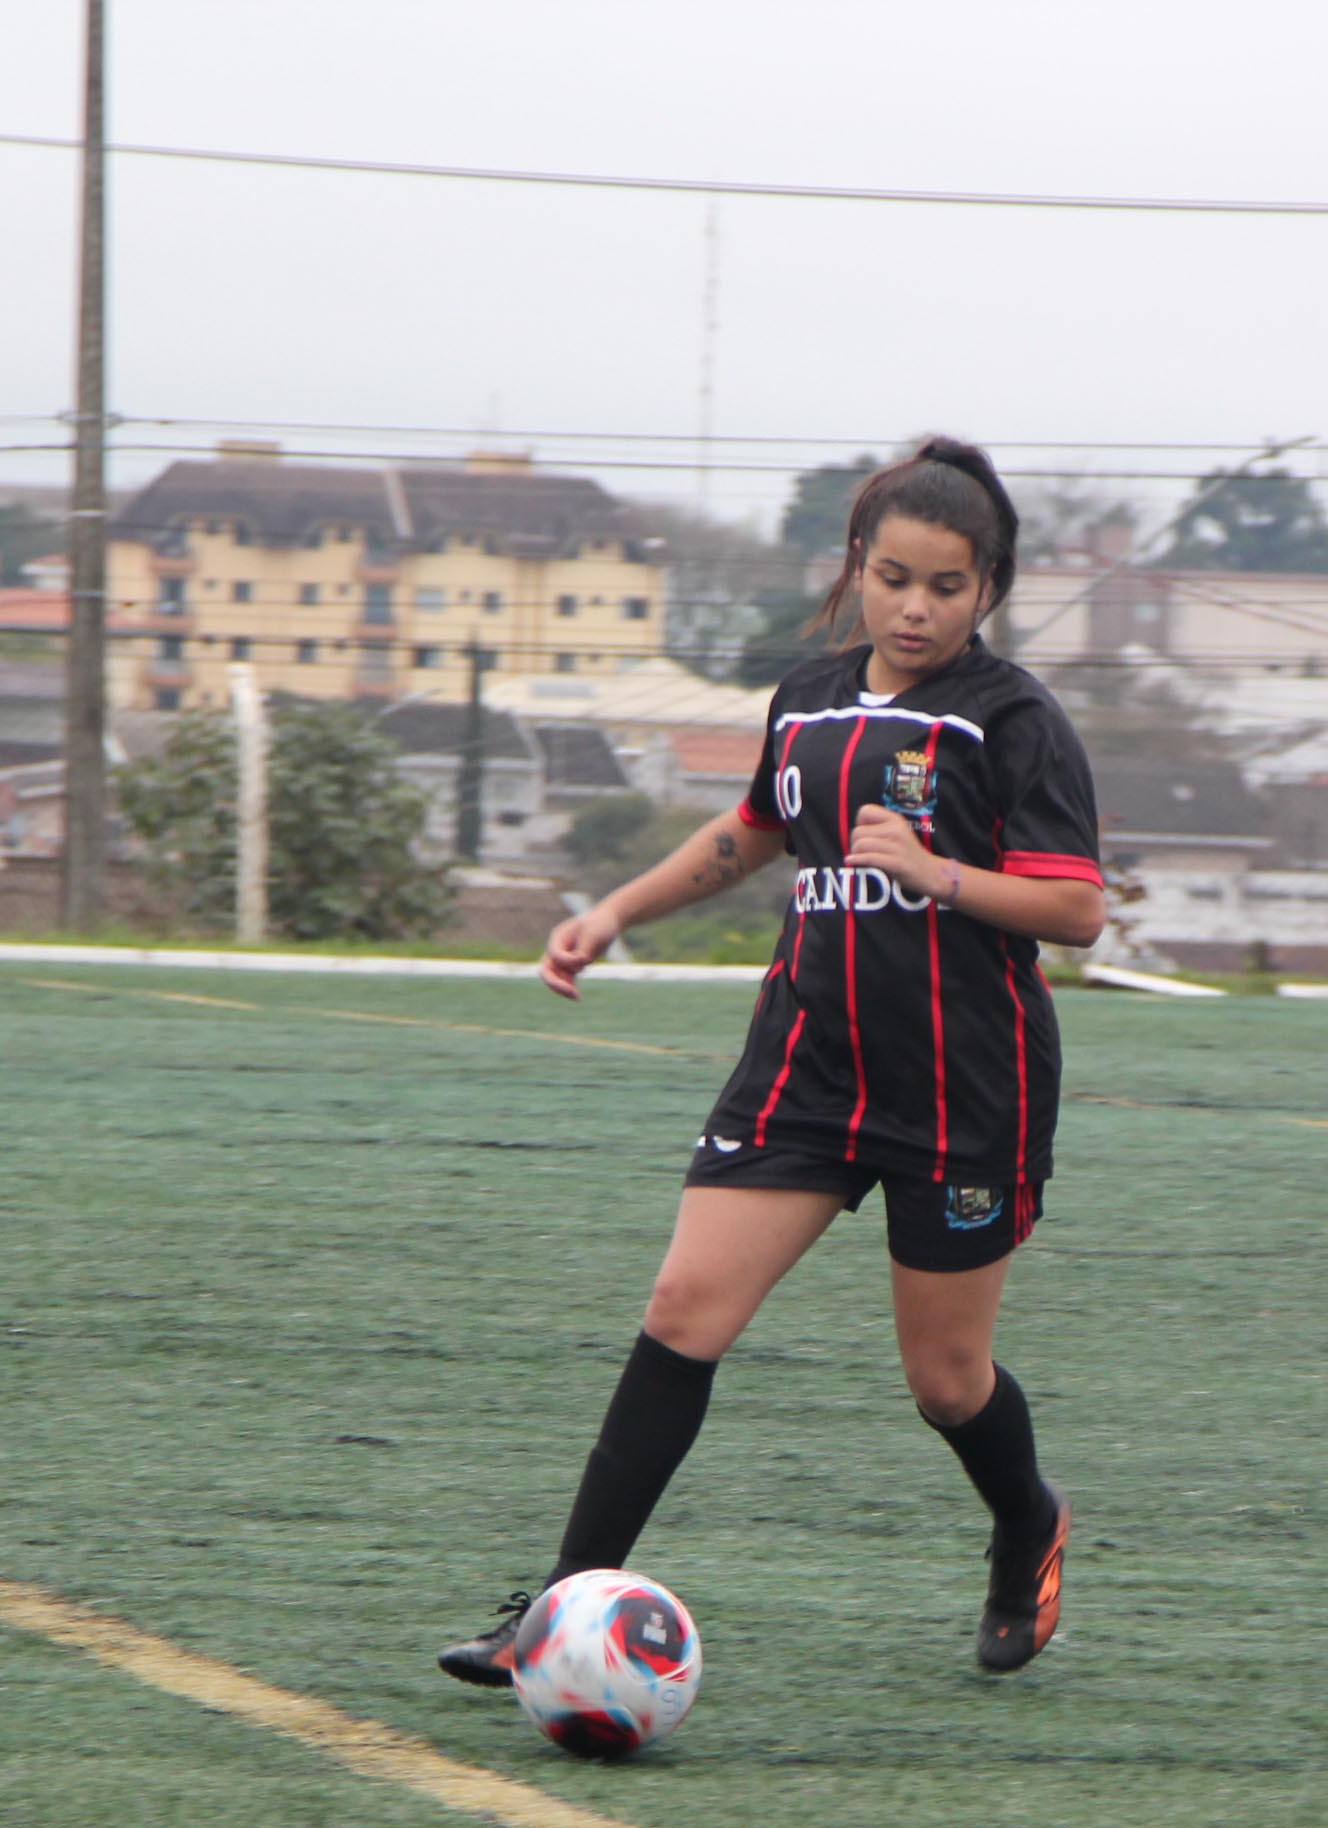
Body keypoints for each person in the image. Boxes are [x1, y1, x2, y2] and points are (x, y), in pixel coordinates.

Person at [432, 438, 1105, 1684]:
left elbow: (1076, 912)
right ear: (857, 568)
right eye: (892, 576)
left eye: (946, 586)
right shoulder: (805, 696)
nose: (914, 606)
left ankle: (1027, 1519)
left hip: (964, 1091)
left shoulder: (1015, 721)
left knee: (947, 1383)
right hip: (806, 1068)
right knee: (683, 1314)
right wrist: (615, 910)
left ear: (989, 588)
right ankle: (559, 1609)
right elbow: (752, 830)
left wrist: (939, 874)